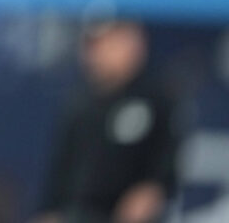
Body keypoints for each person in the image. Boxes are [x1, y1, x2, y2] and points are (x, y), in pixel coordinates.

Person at [31, 19, 182, 223]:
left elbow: (167, 158)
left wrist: (153, 188)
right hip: (79, 212)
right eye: (94, 45)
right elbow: (62, 167)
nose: (98, 53)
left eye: (109, 43)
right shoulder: (80, 104)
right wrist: (48, 211)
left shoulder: (156, 99)